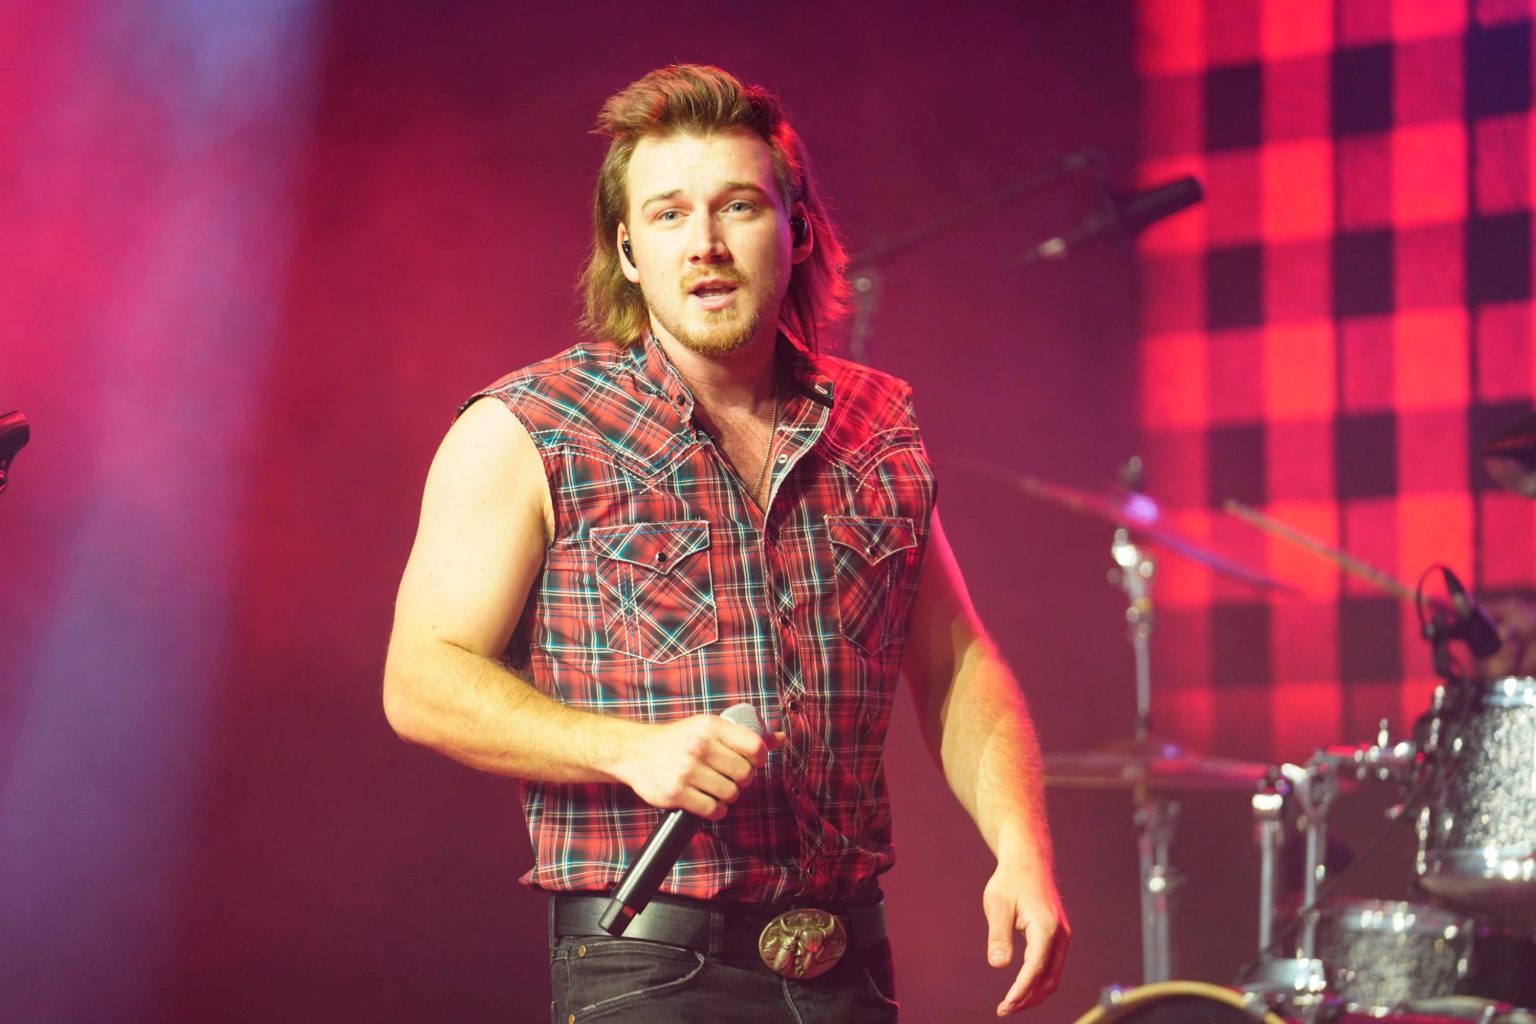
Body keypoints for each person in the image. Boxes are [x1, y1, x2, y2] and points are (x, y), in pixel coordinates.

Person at [382, 64, 1067, 1021]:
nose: (704, 242)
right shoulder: (530, 427)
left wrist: (1022, 848)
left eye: (737, 206)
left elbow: (955, 664)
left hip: (849, 964)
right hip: (649, 968)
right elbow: (421, 680)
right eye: (668, 215)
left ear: (799, 229)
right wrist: (626, 750)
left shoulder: (877, 423)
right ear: (628, 252)